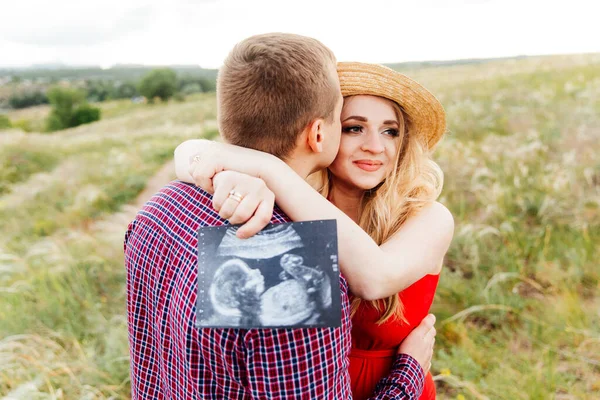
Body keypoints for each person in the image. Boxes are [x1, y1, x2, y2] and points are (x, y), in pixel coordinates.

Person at [125, 33, 435, 399]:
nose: (374, 145)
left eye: (390, 131)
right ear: (319, 133)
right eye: (349, 124)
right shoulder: (294, 261)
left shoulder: (160, 208)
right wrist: (409, 374)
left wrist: (258, 167)